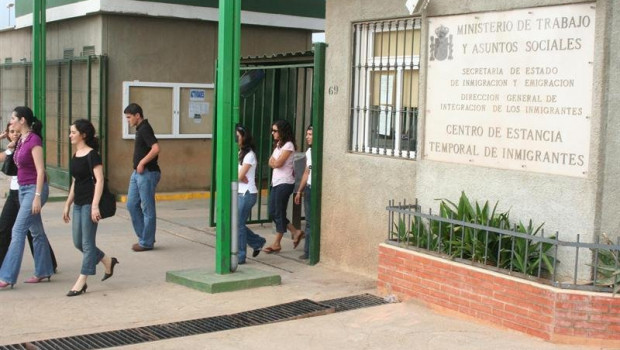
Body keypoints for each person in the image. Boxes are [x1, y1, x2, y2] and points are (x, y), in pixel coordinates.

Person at [62, 119, 119, 297]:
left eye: (73, 132)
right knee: (78, 242)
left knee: (87, 244)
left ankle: (82, 281)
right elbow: (75, 181)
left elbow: (100, 180)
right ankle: (107, 260)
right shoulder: (76, 154)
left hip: (89, 203)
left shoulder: (92, 154)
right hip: (78, 203)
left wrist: (94, 206)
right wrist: (67, 204)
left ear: (83, 135)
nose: (70, 135)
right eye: (70, 132)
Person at [0, 106, 54, 289]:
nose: (11, 120)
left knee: (17, 231)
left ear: (22, 120)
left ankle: (7, 277)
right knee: (36, 231)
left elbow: (40, 170)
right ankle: (44, 270)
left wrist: (38, 196)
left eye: (14, 117)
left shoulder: (34, 140)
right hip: (23, 189)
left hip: (33, 190)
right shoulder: (21, 140)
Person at [124, 103, 161, 252]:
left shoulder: (145, 128)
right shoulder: (140, 129)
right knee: (131, 204)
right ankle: (145, 237)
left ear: (137, 115)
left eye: (129, 117)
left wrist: (142, 162)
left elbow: (156, 148)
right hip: (138, 173)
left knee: (147, 208)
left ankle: (146, 242)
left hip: (147, 172)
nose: (127, 120)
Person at [264, 120, 304, 254]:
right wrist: (274, 162)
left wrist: (275, 162)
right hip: (276, 182)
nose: (273, 133)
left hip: (285, 182)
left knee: (279, 211)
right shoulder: (278, 146)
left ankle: (277, 243)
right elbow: (270, 161)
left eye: (275, 131)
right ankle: (295, 231)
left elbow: (278, 163)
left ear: (282, 131)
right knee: (273, 211)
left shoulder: (288, 145)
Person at [235, 124, 266, 264]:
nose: (235, 139)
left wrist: (238, 176)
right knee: (237, 223)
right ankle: (257, 241)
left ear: (244, 138)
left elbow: (239, 176)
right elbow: (237, 175)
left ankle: (241, 255)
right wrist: (238, 176)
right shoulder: (239, 153)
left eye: (237, 136)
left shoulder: (250, 155)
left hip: (247, 194)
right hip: (240, 192)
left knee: (238, 224)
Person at [294, 125, 313, 260]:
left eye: (310, 134)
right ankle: (308, 251)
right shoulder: (309, 152)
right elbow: (307, 172)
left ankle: (311, 251)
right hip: (309, 188)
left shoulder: (319, 151)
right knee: (308, 220)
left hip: (316, 189)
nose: (307, 137)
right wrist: (299, 191)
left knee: (313, 221)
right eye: (307, 134)